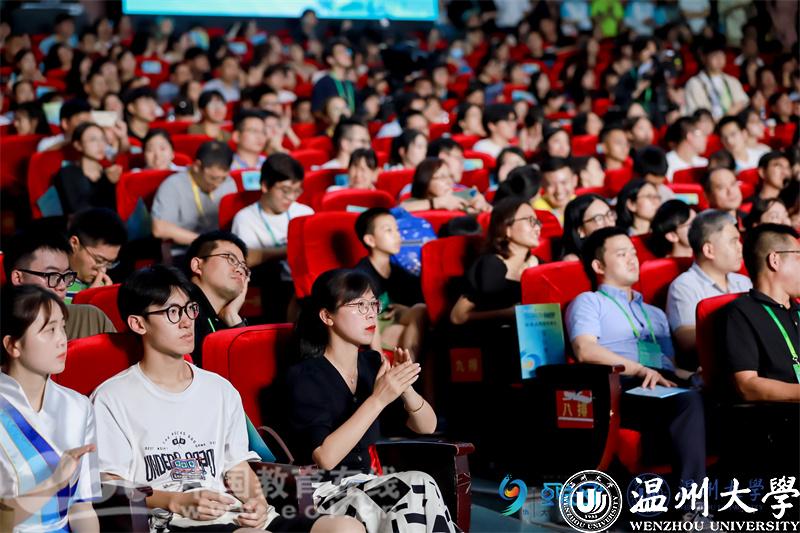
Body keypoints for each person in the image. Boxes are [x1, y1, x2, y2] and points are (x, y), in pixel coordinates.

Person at [92, 265, 361, 533]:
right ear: (138, 323)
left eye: (190, 309)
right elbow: (110, 483)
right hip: (172, 521)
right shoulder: (112, 398)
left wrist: (256, 501)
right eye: (172, 312)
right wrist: (175, 501)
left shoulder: (219, 389)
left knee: (345, 528)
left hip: (230, 515)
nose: (186, 322)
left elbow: (236, 466)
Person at [286, 269, 457, 532]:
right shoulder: (305, 376)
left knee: (420, 484)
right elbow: (326, 458)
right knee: (412, 489)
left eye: (373, 304)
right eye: (358, 305)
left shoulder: (371, 364)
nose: (370, 314)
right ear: (327, 316)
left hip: (366, 484)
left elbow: (427, 426)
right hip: (323, 493)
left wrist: (405, 388)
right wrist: (378, 398)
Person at [566, 226, 706, 484]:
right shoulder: (590, 302)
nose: (632, 259)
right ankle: (693, 500)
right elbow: (585, 349)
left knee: (718, 394)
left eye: (633, 253)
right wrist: (638, 369)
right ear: (598, 265)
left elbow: (670, 366)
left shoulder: (655, 314)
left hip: (661, 383)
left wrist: (693, 376)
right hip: (621, 387)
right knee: (687, 402)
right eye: (622, 254)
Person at [0, 285, 100, 532]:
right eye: (49, 330)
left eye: (62, 328)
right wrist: (53, 483)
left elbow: (81, 507)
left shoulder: (78, 406)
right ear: (12, 345)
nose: (62, 340)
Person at [232, 153, 313, 322]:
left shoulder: (304, 213)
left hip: (304, 284)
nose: (291, 197)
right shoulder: (245, 218)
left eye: (296, 191)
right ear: (265, 186)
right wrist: (288, 250)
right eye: (285, 190)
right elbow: (244, 259)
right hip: (270, 288)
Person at [723, 224, 800, 402]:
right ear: (775, 260)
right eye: (798, 256)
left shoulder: (796, 308)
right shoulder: (741, 312)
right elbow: (747, 385)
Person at [5, 226, 116, 340]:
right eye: (52, 276)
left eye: (66, 275)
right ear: (18, 278)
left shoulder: (90, 319)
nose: (63, 286)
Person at [666, 210, 752, 354]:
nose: (740, 247)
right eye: (733, 241)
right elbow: (685, 339)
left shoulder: (743, 282)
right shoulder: (684, 286)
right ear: (709, 250)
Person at [450, 198, 541, 326]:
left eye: (537, 222)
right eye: (530, 220)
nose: (537, 228)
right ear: (506, 228)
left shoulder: (539, 264)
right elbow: (457, 317)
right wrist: (510, 314)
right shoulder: (490, 265)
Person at [354, 208, 427, 357]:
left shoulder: (399, 272)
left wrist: (404, 309)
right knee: (406, 331)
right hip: (371, 328)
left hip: (393, 319)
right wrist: (377, 356)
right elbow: (365, 317)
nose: (397, 235)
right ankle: (408, 371)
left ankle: (411, 370)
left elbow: (417, 300)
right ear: (370, 240)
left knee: (421, 310)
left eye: (397, 230)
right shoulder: (362, 275)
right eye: (389, 230)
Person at [151, 140, 238, 257]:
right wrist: (206, 242)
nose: (218, 184)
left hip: (221, 249)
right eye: (213, 178)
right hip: (185, 251)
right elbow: (159, 228)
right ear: (197, 166)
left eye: (223, 178)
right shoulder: (173, 185)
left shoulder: (228, 182)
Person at [184, 231, 250, 367]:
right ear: (197, 265)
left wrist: (232, 317)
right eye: (230, 259)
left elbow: (247, 369)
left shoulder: (221, 319)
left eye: (243, 266)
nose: (239, 270)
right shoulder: (181, 311)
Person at [65, 208, 127, 303]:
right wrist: (88, 300)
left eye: (109, 263)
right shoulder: (52, 283)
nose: (102, 270)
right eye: (98, 260)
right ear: (74, 243)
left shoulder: (102, 285)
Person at [685, 37, 749, 119]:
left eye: (722, 55)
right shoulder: (694, 83)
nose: (719, 59)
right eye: (714, 55)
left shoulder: (732, 80)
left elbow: (742, 102)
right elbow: (698, 112)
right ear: (703, 58)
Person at [402, 157, 490, 213]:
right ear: (426, 181)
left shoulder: (461, 195)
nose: (449, 182)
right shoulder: (413, 202)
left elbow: (473, 194)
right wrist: (436, 203)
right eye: (442, 177)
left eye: (450, 176)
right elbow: (400, 210)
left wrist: (479, 201)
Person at [561, 194, 617, 261]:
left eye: (609, 214)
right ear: (581, 230)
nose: (609, 223)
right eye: (598, 219)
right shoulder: (573, 261)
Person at [311, 39, 356, 115]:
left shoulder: (351, 84)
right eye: (341, 52)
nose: (347, 54)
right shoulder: (323, 83)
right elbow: (316, 111)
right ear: (330, 59)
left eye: (347, 51)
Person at [533, 157, 578, 224]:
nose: (559, 190)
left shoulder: (583, 205)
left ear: (575, 180)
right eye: (551, 185)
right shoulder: (536, 212)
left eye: (564, 183)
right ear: (542, 186)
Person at [665, 116, 708, 182]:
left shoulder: (704, 163)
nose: (706, 139)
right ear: (690, 136)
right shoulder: (666, 163)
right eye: (702, 134)